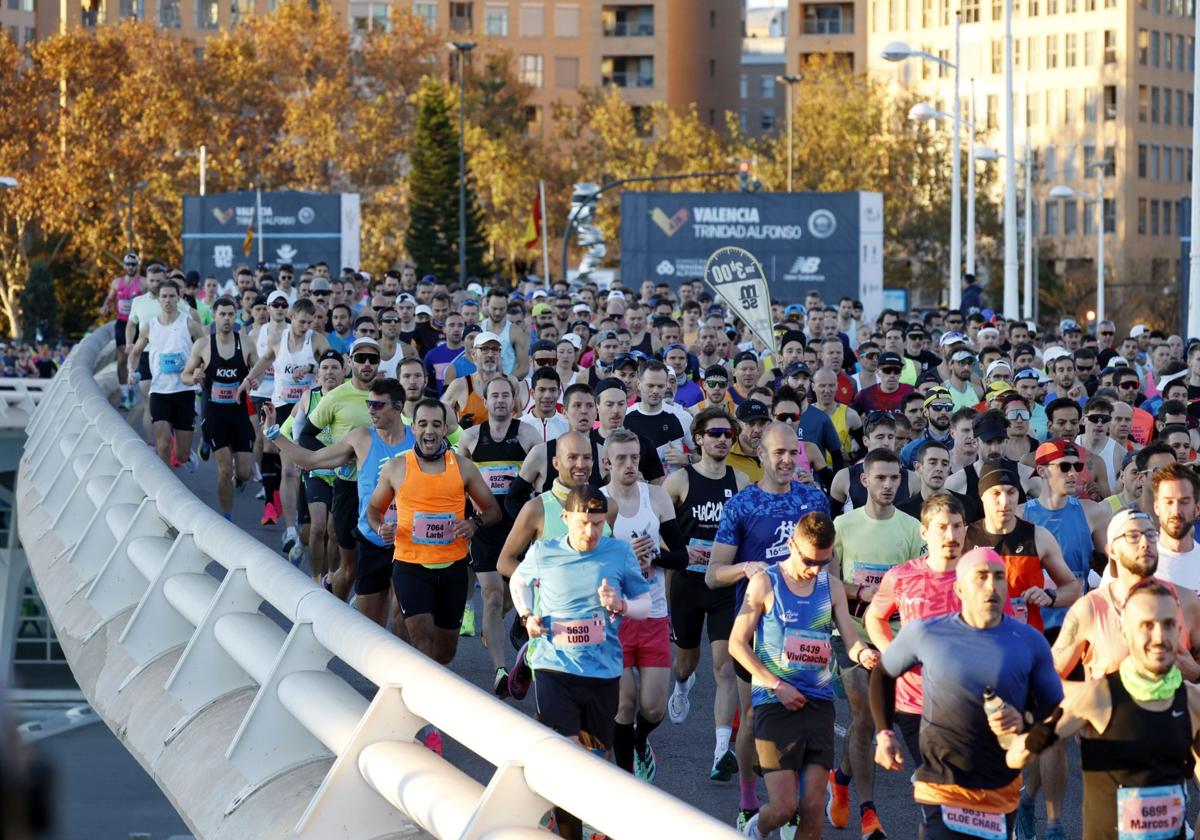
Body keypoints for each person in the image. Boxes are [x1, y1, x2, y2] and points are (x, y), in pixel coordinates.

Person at [870, 548, 1064, 839]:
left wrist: (1024, 721)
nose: (991, 585)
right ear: (959, 588)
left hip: (1001, 787)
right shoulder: (927, 633)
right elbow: (883, 674)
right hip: (941, 782)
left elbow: (1054, 710)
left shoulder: (1029, 641)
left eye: (999, 577)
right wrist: (885, 733)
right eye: (981, 577)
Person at [706, 422, 831, 830]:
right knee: (754, 713)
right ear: (760, 453)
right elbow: (713, 574)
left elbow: (829, 561)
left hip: (805, 628)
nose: (786, 461)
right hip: (757, 623)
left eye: (793, 453)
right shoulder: (743, 505)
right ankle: (748, 798)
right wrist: (745, 566)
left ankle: (790, 805)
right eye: (778, 453)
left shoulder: (813, 499)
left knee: (805, 712)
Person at [1006, 579, 1200, 840]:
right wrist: (1028, 736)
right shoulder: (1098, 697)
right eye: (1147, 626)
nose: (1159, 637)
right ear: (1125, 631)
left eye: (1168, 625)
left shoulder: (1191, 701)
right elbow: (1016, 757)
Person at [509, 485, 651, 840]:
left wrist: (620, 606)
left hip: (603, 671)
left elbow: (644, 605)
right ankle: (572, 832)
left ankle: (575, 816)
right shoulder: (543, 551)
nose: (591, 532)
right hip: (554, 666)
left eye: (599, 524)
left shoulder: (618, 552)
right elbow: (518, 581)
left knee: (595, 756)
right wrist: (527, 615)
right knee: (570, 755)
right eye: (584, 523)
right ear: (566, 518)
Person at [729, 511, 880, 840]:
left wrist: (863, 653)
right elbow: (737, 644)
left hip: (818, 704)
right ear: (791, 545)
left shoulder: (832, 587)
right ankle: (757, 828)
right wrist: (777, 685)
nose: (815, 570)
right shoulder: (765, 582)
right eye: (810, 560)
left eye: (823, 563)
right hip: (774, 702)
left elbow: (850, 639)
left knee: (812, 807)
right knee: (784, 807)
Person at [1018, 440, 1111, 840]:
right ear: (1042, 472)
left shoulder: (1093, 511)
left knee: (1061, 731)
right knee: (1045, 734)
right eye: (1065, 466)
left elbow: (1115, 564)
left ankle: (1048, 818)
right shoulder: (1022, 515)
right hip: (1032, 633)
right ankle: (1036, 809)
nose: (1075, 473)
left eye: (1079, 466)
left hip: (1079, 631)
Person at [265, 377, 410, 628]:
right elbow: (311, 460)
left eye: (378, 405)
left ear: (397, 408)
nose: (370, 410)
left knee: (401, 618)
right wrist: (275, 434)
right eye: (369, 404)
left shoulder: (418, 440)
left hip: (408, 540)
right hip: (372, 539)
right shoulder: (362, 438)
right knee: (371, 626)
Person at [368, 398, 502, 663]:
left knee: (445, 651)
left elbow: (493, 511)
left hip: (453, 567)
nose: (429, 431)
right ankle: (419, 698)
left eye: (436, 425)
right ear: (413, 428)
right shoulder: (396, 467)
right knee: (421, 638)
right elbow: (373, 509)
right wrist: (380, 527)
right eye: (423, 424)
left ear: (444, 429)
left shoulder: (463, 467)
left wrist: (473, 523)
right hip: (410, 565)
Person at [662, 406, 749, 781]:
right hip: (686, 584)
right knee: (685, 664)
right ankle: (682, 685)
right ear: (698, 438)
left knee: (724, 665)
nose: (721, 439)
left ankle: (720, 751)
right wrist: (680, 552)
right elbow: (658, 528)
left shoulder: (741, 480)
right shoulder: (679, 481)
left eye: (727, 434)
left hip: (723, 587)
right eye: (714, 433)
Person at [602, 429, 687, 781]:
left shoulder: (656, 498)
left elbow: (680, 557)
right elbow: (587, 559)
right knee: (624, 704)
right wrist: (625, 560)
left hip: (653, 613)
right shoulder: (600, 501)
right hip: (614, 618)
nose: (629, 465)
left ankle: (640, 741)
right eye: (621, 458)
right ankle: (625, 781)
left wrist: (655, 555)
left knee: (652, 708)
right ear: (606, 462)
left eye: (634, 457)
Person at [455, 375, 540, 696]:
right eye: (495, 396)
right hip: (485, 526)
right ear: (486, 401)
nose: (501, 400)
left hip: (519, 528)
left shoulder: (528, 436)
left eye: (507, 395)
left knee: (509, 599)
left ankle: (498, 623)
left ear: (515, 401)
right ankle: (501, 671)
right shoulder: (472, 438)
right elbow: (460, 484)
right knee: (491, 596)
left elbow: (542, 477)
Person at [246, 297, 331, 554]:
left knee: (308, 468)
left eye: (310, 321)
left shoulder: (314, 340)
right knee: (289, 471)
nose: (306, 326)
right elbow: (265, 360)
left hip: (308, 408)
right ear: (292, 316)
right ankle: (291, 528)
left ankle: (308, 516)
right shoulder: (277, 338)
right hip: (283, 407)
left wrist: (310, 366)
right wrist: (249, 379)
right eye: (302, 321)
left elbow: (333, 362)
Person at [965, 463, 1081, 630]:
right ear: (982, 495)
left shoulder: (1038, 536)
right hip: (979, 643)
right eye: (996, 493)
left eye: (1011, 492)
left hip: (1026, 643)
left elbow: (1073, 588)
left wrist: (1050, 597)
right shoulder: (965, 536)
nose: (1004, 501)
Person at [180, 296, 257, 519]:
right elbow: (185, 376)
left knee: (243, 472)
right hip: (214, 414)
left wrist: (254, 381)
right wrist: (193, 376)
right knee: (225, 469)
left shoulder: (246, 343)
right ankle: (227, 517)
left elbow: (257, 372)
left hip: (239, 414)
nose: (226, 318)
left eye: (231, 314)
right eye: (222, 314)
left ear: (236, 316)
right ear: (214, 316)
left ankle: (240, 480)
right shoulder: (203, 344)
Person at [127, 278, 205, 468]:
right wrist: (131, 370)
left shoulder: (190, 325)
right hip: (160, 391)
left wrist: (200, 370)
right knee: (163, 444)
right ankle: (165, 488)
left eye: (172, 296)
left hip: (185, 390)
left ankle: (187, 457)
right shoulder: (148, 326)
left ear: (178, 298)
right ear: (158, 300)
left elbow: (206, 349)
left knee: (181, 454)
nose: (168, 300)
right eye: (164, 296)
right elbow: (136, 352)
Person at [1149, 462, 1200, 593]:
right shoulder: (1132, 564)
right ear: (1156, 507)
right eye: (1168, 502)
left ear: (1197, 508)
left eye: (1184, 502)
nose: (1176, 510)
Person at [102, 252, 143, 408]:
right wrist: (105, 306)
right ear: (124, 266)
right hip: (122, 323)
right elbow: (111, 298)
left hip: (138, 323)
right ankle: (126, 395)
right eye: (128, 264)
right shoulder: (116, 282)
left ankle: (133, 390)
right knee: (121, 359)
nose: (130, 267)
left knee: (135, 357)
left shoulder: (143, 283)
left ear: (137, 266)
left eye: (133, 264)